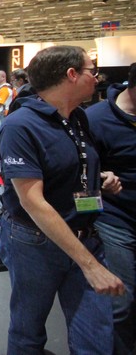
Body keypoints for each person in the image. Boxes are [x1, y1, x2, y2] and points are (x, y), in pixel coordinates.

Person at [0, 45, 124, 354]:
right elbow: (33, 202)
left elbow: (70, 165)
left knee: (96, 336)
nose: (97, 78)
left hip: (85, 234)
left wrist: (99, 178)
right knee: (28, 331)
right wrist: (89, 264)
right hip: (34, 242)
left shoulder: (78, 117)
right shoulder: (20, 126)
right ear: (71, 74)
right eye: (92, 71)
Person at [86, 62, 136, 354]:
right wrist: (100, 179)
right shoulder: (95, 119)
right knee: (122, 300)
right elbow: (81, 174)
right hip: (115, 219)